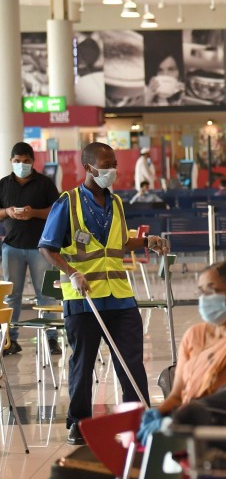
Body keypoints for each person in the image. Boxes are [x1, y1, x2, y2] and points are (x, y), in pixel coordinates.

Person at [38, 142, 171, 445]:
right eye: (106, 164)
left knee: (131, 361)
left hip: (119, 296)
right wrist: (72, 272)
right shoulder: (67, 203)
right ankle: (79, 422)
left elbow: (121, 243)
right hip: (83, 298)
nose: (112, 170)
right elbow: (47, 246)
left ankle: (136, 417)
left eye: (114, 164)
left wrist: (148, 241)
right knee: (83, 363)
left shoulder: (117, 203)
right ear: (88, 167)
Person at [156, 261, 226, 415]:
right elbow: (177, 397)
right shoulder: (194, 335)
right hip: (188, 421)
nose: (204, 299)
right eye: (201, 292)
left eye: (211, 292)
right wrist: (154, 417)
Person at [0, 142, 61, 355]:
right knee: (11, 296)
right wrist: (7, 211)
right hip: (12, 247)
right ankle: (9, 339)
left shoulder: (44, 183)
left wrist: (33, 213)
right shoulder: (3, 184)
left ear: (33, 162)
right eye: (17, 161)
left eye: (26, 161)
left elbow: (57, 210)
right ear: (11, 161)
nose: (22, 165)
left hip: (41, 247)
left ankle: (52, 339)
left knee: (46, 294)